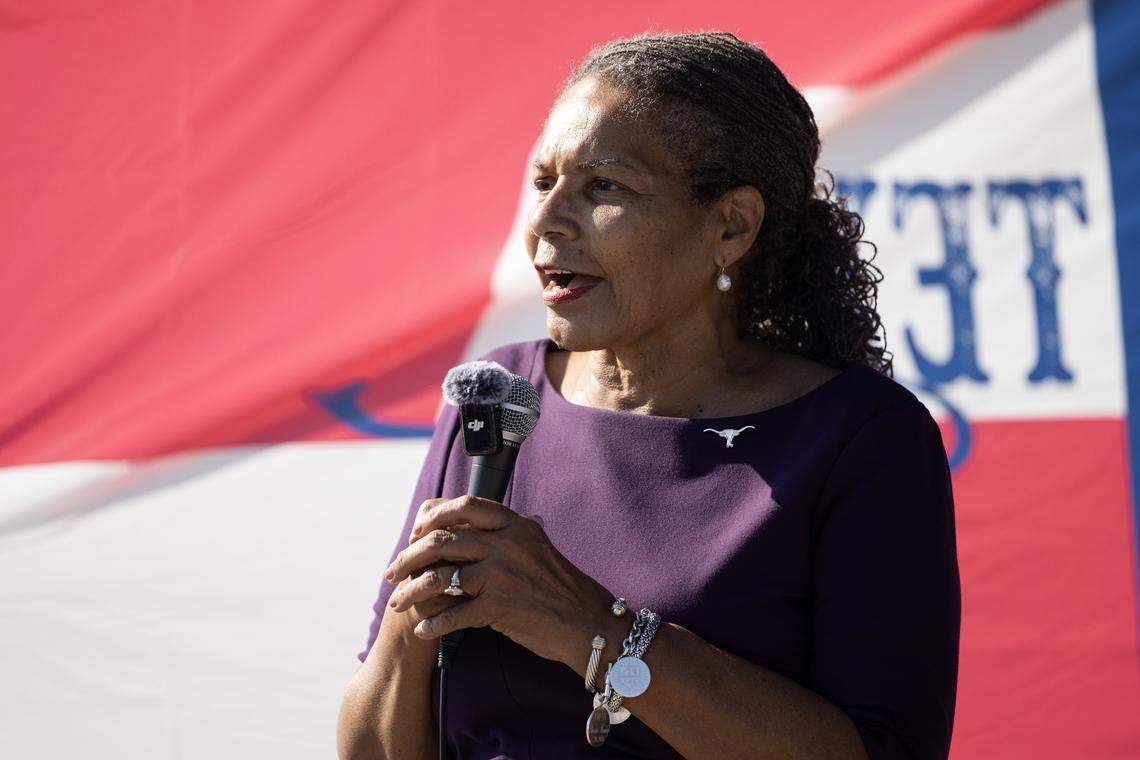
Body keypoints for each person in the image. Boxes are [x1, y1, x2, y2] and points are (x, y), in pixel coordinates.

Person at [337, 30, 960, 760]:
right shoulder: (497, 401)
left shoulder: (860, 439)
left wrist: (590, 626)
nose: (547, 221)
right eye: (544, 182)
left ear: (731, 226)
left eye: (604, 186)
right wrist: (414, 622)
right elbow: (372, 747)